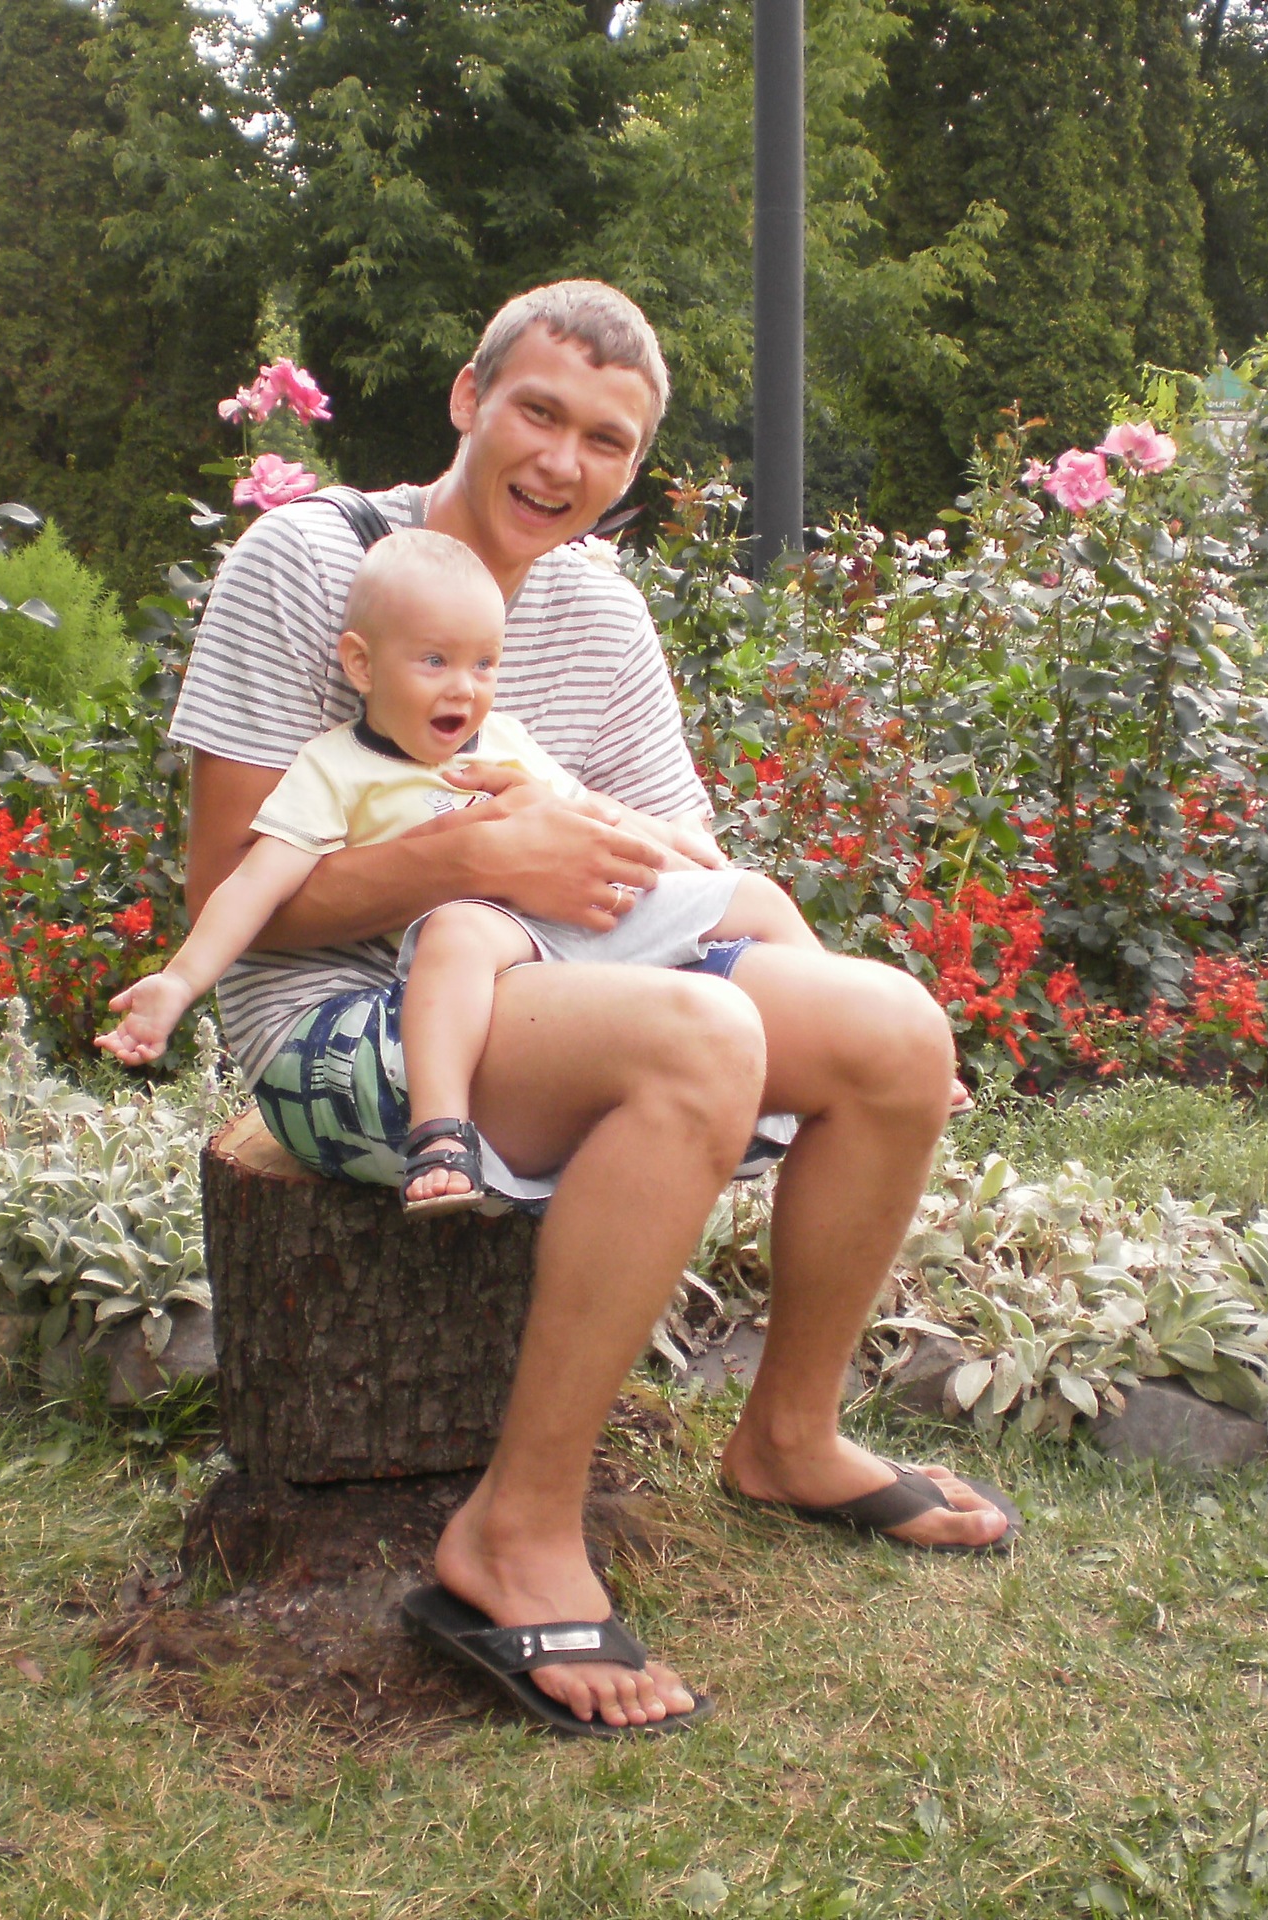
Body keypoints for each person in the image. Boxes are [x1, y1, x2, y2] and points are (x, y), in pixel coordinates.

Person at [168, 280, 1015, 1735]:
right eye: (539, 413)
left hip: (563, 985)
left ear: (635, 465)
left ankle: (791, 1438)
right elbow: (222, 895)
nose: (563, 464)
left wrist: (731, 920)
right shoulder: (309, 564)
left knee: (892, 1030)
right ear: (469, 398)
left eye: (607, 442)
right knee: (704, 1038)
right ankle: (516, 1530)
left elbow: (673, 873)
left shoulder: (601, 611)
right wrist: (474, 857)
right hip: (337, 1025)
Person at [99, 526, 813, 1214]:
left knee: (754, 895)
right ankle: (441, 1135)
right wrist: (180, 982)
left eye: (484, 664)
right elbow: (257, 882)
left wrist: (678, 847)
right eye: (434, 661)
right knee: (458, 928)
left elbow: (590, 809)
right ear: (362, 665)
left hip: (561, 939)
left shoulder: (503, 741)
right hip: (475, 955)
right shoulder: (336, 769)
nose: (463, 689)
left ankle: (824, 1045)